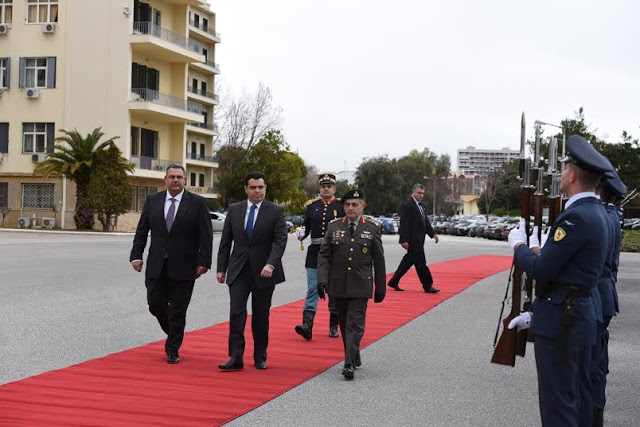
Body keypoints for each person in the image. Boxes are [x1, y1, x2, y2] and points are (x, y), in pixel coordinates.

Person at [507, 135, 613, 427]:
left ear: (573, 174)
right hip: (576, 313)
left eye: (565, 167)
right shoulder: (595, 213)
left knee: (558, 408)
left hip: (564, 320)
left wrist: (518, 247)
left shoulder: (576, 217)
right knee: (574, 400)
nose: (563, 172)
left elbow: (541, 269)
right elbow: (568, 270)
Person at [130, 164, 213, 364]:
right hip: (157, 264)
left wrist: (204, 262)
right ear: (165, 179)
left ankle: (173, 348)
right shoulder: (153, 201)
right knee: (155, 305)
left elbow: (206, 235)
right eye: (171, 176)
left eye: (179, 177)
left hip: (185, 266)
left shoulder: (198, 203)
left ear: (185, 180)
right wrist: (136, 255)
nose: (175, 180)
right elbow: (142, 231)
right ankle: (175, 332)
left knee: (178, 309)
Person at [216, 171, 288, 371]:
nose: (258, 191)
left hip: (264, 272)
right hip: (238, 270)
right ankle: (236, 357)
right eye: (253, 187)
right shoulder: (234, 209)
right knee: (236, 313)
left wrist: (271, 264)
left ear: (265, 189)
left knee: (260, 316)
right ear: (246, 189)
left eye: (261, 187)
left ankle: (260, 356)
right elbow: (226, 242)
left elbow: (280, 241)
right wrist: (221, 268)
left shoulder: (275, 211)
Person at [317, 189, 386, 380]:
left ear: (362, 205)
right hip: (338, 284)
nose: (350, 208)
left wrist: (380, 288)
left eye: (355, 204)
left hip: (360, 285)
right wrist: (322, 280)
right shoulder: (334, 227)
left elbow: (379, 261)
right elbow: (324, 256)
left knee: (354, 324)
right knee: (343, 323)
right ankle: (353, 354)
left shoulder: (372, 228)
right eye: (347, 205)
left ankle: (347, 362)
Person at [591, 168, 626, 426]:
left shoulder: (603, 216)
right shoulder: (613, 215)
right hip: (605, 294)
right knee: (597, 359)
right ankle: (596, 412)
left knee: (591, 363)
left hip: (598, 295)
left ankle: (593, 414)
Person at [295, 173, 345, 340]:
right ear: (319, 188)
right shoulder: (311, 207)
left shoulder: (341, 206)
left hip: (335, 253)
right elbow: (305, 229)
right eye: (323, 186)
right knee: (312, 289)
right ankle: (307, 325)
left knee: (334, 290)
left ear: (334, 189)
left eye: (329, 186)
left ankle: (333, 324)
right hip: (315, 253)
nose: (325, 188)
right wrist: (301, 234)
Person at [386, 183, 440, 293]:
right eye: (419, 193)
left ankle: (394, 281)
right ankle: (427, 285)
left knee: (408, 262)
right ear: (413, 192)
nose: (421, 195)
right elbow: (404, 223)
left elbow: (425, 222)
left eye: (423, 194)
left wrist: (433, 234)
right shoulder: (408, 205)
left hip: (420, 240)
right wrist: (403, 240)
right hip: (412, 241)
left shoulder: (421, 206)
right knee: (421, 264)